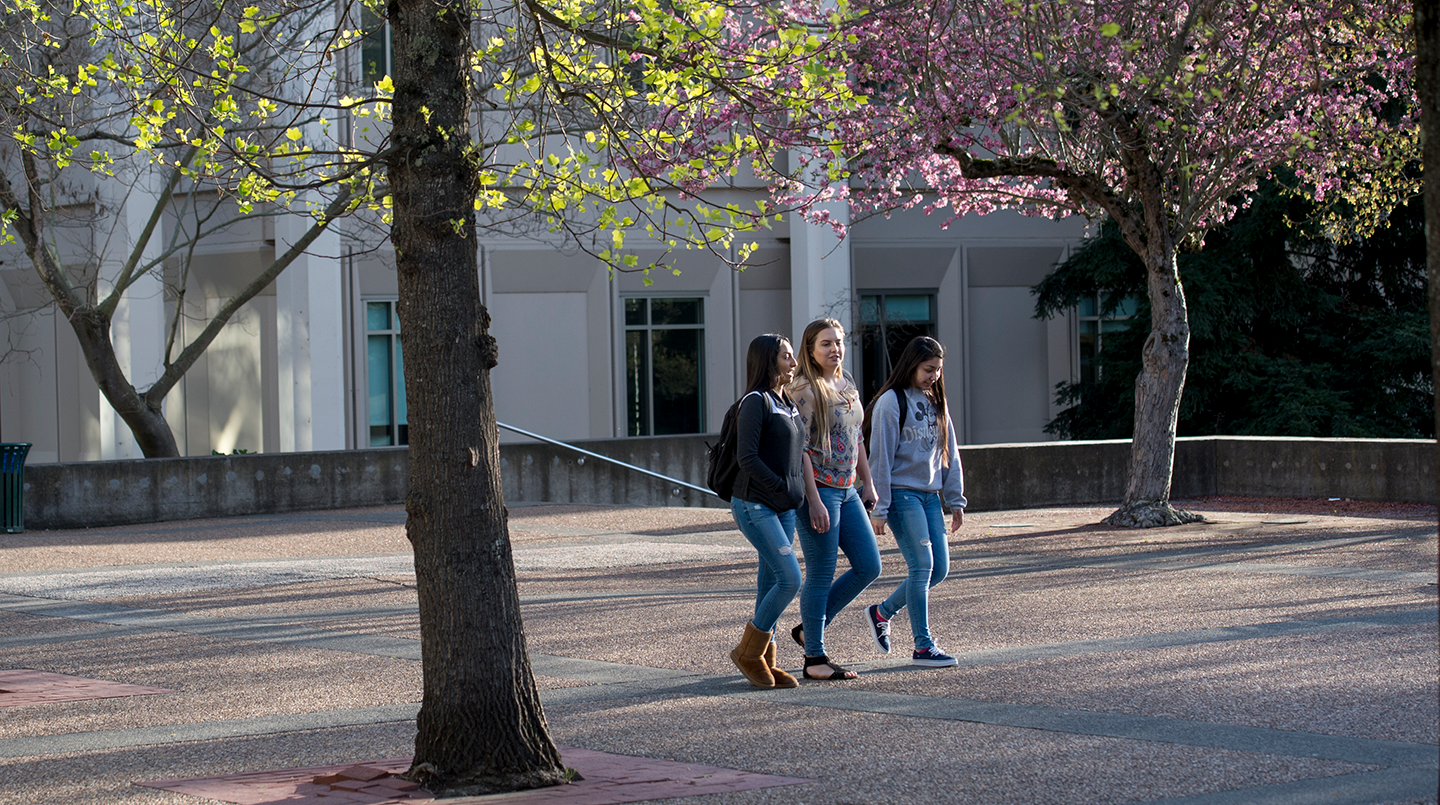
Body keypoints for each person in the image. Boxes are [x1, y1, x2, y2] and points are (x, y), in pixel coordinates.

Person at [862, 336, 966, 668]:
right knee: (922, 566)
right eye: (927, 369)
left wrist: (956, 499)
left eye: (937, 369)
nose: (933, 375)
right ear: (912, 364)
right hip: (903, 495)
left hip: (930, 497)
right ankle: (923, 646)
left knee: (939, 569)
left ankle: (882, 612)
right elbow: (879, 457)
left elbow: (950, 453)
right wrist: (879, 507)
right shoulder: (891, 402)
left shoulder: (938, 402)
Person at [786, 318, 882, 680]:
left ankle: (808, 629)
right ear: (810, 349)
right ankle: (815, 659)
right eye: (826, 344)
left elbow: (856, 437)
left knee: (869, 566)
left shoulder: (846, 382)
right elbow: (802, 452)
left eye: (838, 342)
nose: (835, 349)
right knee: (822, 573)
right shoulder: (804, 391)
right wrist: (813, 500)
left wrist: (868, 483)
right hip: (820, 490)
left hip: (848, 489)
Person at [728, 333, 806, 688]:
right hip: (755, 504)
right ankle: (748, 651)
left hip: (783, 508)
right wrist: (779, 486)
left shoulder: (786, 401)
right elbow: (747, 457)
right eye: (786, 357)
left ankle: (764, 658)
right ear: (768, 361)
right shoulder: (756, 402)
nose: (793, 363)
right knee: (791, 578)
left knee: (771, 580)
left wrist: (796, 492)